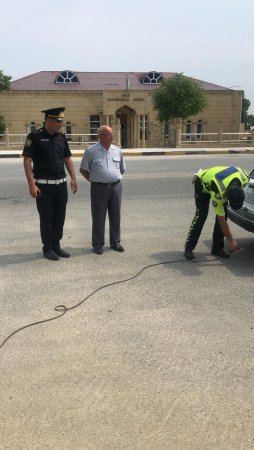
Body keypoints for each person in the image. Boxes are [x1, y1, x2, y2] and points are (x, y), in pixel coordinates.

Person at [22, 107, 77, 261]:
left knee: (60, 217)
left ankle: (56, 245)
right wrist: (31, 184)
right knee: (46, 218)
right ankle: (47, 247)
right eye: (58, 121)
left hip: (61, 185)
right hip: (43, 186)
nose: (60, 124)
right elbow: (27, 160)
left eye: (61, 121)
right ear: (48, 121)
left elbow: (67, 158)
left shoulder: (61, 137)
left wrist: (73, 177)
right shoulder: (34, 137)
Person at [184, 166, 248, 260]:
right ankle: (188, 247)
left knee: (224, 214)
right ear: (227, 195)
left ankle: (217, 248)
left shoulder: (244, 177)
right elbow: (221, 219)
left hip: (220, 182)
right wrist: (231, 241)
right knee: (201, 215)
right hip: (203, 183)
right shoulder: (218, 190)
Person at [80, 125, 126, 255]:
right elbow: (83, 170)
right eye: (109, 134)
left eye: (112, 134)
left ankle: (115, 242)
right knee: (98, 217)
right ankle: (98, 244)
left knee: (116, 215)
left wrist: (111, 177)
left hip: (116, 187)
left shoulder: (117, 150)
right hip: (98, 188)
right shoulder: (91, 151)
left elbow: (122, 169)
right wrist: (96, 180)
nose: (112, 136)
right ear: (100, 136)